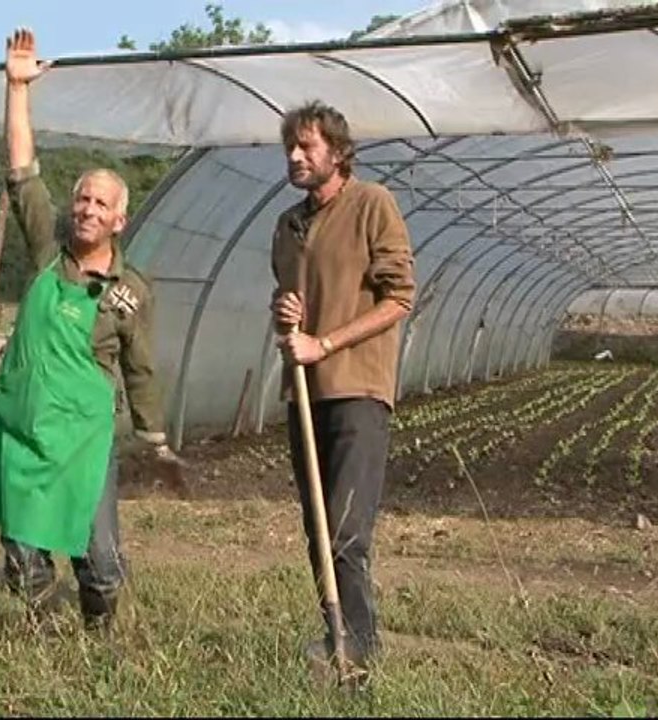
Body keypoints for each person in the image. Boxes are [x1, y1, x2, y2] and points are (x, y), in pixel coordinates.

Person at [0, 27, 183, 632]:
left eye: (99, 204)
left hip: (85, 440)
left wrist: (155, 440)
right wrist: (16, 88)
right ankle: (38, 630)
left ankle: (98, 635)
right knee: (25, 552)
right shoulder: (44, 254)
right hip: (22, 427)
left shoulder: (130, 291)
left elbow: (139, 368)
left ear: (120, 218)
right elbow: (22, 169)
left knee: (101, 561)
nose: (86, 209)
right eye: (81, 199)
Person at [270, 101, 416, 675]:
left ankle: (358, 646)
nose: (295, 156)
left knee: (346, 528)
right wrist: (285, 316)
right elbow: (287, 305)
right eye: (290, 147)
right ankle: (338, 636)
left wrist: (325, 345)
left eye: (307, 146)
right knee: (319, 531)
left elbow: (399, 298)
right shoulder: (286, 224)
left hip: (356, 389)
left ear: (338, 151)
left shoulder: (372, 205)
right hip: (304, 392)